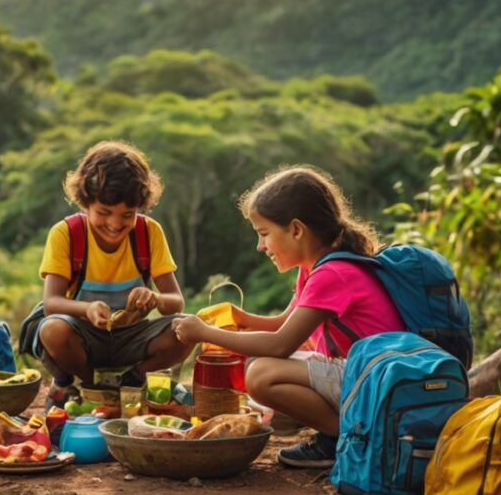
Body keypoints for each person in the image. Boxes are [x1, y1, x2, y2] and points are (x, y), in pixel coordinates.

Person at [172, 166, 405, 468]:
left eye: (264, 234)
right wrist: (239, 317)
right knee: (256, 363)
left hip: (377, 381)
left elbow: (280, 344)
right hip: (362, 374)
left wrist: (204, 333)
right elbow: (283, 325)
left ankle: (345, 439)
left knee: (260, 374)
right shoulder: (313, 268)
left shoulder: (333, 274)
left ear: (296, 230)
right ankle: (341, 433)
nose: (260, 246)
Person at [32, 141, 193, 410]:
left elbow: (176, 302)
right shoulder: (66, 234)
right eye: (104, 213)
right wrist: (87, 308)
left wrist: (154, 298)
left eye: (127, 215)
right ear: (85, 203)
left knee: (187, 327)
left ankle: (134, 378)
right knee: (53, 329)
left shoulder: (148, 232)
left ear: (140, 208)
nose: (115, 224)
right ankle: (77, 382)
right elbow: (52, 303)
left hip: (132, 337)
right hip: (84, 336)